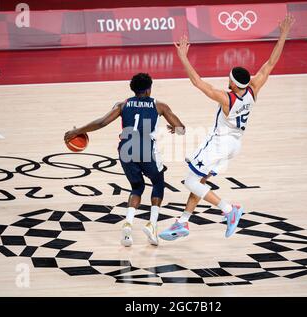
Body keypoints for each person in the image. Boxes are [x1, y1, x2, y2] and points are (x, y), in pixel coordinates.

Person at [159, 14, 295, 241]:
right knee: (199, 180)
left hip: (219, 143)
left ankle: (229, 210)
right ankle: (182, 222)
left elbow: (197, 82)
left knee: (191, 181)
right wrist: (283, 35)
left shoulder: (226, 98)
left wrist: (182, 56)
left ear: (232, 83)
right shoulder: (254, 89)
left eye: (229, 78)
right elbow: (271, 63)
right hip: (234, 145)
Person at [65, 73, 185, 247]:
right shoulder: (160, 106)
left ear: (133, 89)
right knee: (158, 183)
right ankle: (152, 224)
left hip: (125, 150)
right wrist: (176, 129)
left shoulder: (123, 104)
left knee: (137, 187)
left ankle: (128, 226)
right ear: (150, 89)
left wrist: (78, 131)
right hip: (146, 150)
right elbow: (181, 129)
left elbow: (101, 122)